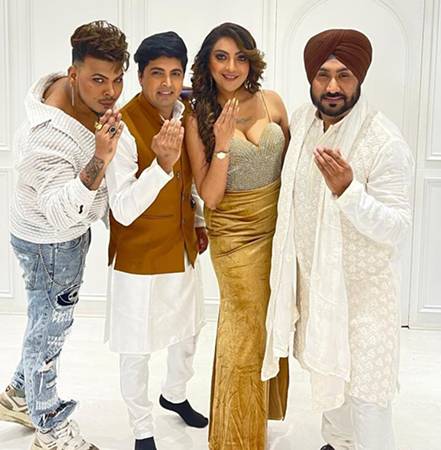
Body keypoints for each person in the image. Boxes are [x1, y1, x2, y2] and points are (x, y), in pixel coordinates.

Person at [262, 29, 413, 450]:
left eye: (344, 75)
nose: (332, 86)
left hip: (366, 298)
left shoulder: (383, 141)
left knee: (367, 394)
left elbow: (397, 226)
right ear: (311, 77)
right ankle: (337, 443)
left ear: (359, 78)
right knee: (329, 378)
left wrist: (349, 192)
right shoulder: (303, 124)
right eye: (323, 75)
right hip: (320, 288)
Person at [0, 21, 129, 450]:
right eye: (98, 80)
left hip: (57, 236)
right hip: (49, 243)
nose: (110, 92)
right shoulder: (45, 138)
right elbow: (58, 213)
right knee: (50, 332)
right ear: (73, 74)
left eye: (116, 79)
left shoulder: (74, 92)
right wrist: (101, 157)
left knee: (43, 320)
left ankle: (20, 395)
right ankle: (49, 428)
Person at [186, 22, 290, 450]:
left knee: (269, 319)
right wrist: (223, 143)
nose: (231, 67)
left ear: (252, 61)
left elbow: (293, 168)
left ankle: (257, 415)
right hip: (233, 235)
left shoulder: (272, 101)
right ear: (207, 63)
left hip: (277, 228)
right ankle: (235, 437)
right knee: (243, 322)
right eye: (221, 57)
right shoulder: (197, 116)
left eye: (240, 57)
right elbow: (210, 196)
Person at [105, 31, 208, 450]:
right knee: (137, 348)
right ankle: (142, 429)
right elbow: (122, 209)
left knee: (189, 331)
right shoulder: (121, 126)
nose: (167, 83)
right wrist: (162, 165)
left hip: (181, 247)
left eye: (175, 73)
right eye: (157, 73)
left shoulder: (186, 112)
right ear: (140, 76)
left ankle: (175, 394)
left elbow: (193, 179)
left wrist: (198, 220)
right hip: (139, 257)